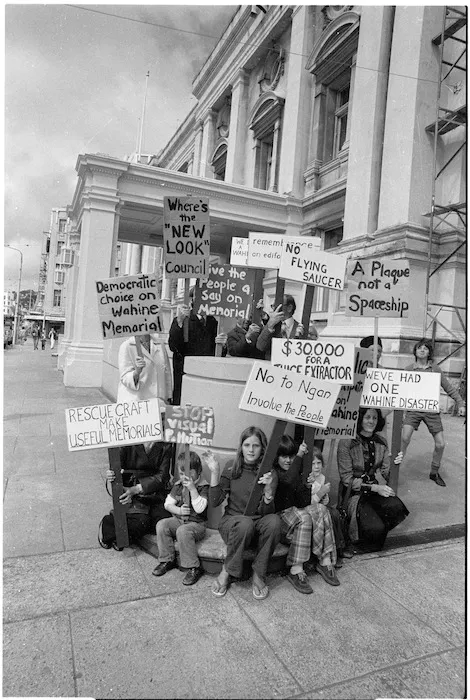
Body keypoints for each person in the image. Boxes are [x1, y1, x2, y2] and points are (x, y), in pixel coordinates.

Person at [204, 426, 281, 600]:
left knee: (275, 521)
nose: (251, 450)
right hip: (232, 524)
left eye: (256, 445)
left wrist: (269, 491)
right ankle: (227, 570)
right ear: (241, 447)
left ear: (263, 448)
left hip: (256, 525)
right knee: (244, 523)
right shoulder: (232, 467)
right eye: (247, 445)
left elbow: (267, 512)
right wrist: (215, 472)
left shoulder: (270, 473)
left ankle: (259, 573)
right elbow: (215, 502)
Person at [273, 436, 339, 595]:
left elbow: (304, 502)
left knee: (322, 509)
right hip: (280, 520)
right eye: (284, 456)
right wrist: (300, 456)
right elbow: (287, 481)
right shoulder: (275, 473)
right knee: (304, 516)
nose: (289, 460)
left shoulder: (297, 472)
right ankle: (296, 569)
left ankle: (325, 560)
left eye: (291, 456)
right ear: (277, 457)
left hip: (296, 514)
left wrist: (307, 486)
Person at [337, 407, 409, 552]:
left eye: (375, 418)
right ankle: (363, 534)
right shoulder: (346, 442)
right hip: (354, 494)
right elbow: (346, 479)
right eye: (367, 417)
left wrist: (395, 463)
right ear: (360, 418)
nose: (371, 421)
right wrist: (375, 488)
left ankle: (370, 530)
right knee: (377, 528)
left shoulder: (381, 442)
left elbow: (386, 473)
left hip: (373, 492)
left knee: (397, 507)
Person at [401, 338, 466, 487]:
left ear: (429, 352)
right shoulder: (409, 369)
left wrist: (460, 403)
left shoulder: (435, 369)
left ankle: (434, 472)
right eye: (419, 348)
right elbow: (400, 390)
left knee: (441, 444)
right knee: (404, 438)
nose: (422, 350)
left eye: (425, 348)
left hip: (431, 411)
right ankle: (393, 468)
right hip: (413, 410)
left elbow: (449, 387)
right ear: (415, 351)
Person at [99, 440, 173, 549]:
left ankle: (121, 530)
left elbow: (163, 476)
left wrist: (137, 488)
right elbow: (116, 468)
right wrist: (112, 474)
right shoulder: (127, 442)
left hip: (154, 492)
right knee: (142, 522)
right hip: (131, 491)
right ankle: (109, 524)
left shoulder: (165, 445)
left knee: (162, 521)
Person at [153, 450, 209, 585]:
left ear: (199, 471)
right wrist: (177, 510)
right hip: (180, 520)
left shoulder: (202, 487)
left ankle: (193, 567)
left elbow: (200, 508)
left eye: (190, 473)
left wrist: (193, 490)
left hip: (197, 524)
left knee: (182, 531)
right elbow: (167, 504)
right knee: (162, 525)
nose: (186, 477)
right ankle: (167, 559)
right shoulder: (178, 485)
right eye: (183, 473)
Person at [168, 300, 218, 405]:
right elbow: (173, 346)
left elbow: (217, 353)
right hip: (185, 373)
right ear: (192, 301)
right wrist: (179, 322)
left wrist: (222, 344)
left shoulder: (213, 322)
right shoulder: (183, 320)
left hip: (205, 374)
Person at [117, 333, 172, 412]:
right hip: (136, 405)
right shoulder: (127, 346)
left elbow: (167, 373)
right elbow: (124, 377)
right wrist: (137, 372)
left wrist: (168, 397)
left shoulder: (160, 344)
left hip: (157, 403)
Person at [256, 295, 306, 359]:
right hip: (271, 367)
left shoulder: (300, 328)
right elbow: (260, 346)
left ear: (289, 308)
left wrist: (300, 338)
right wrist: (269, 326)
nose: (273, 309)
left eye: (276, 306)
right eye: (272, 306)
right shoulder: (273, 326)